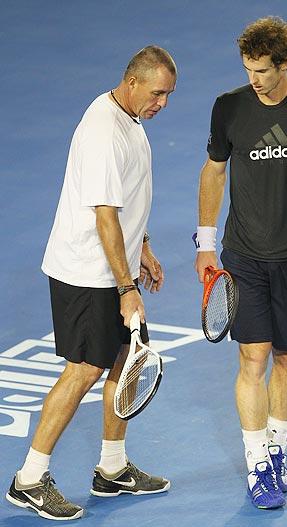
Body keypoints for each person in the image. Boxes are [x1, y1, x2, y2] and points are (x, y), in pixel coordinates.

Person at [6, 45, 177, 521]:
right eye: (158, 93)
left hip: (113, 266)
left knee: (127, 362)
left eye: (169, 96)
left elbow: (126, 199)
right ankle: (29, 479)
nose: (162, 103)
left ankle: (112, 467)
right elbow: (105, 216)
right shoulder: (104, 131)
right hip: (87, 272)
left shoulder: (131, 117)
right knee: (84, 369)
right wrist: (126, 288)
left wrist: (143, 247)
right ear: (133, 82)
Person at [195, 17, 287, 510]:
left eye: (263, 70)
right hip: (244, 257)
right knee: (253, 358)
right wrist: (205, 242)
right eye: (248, 69)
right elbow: (214, 172)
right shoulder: (229, 108)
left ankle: (278, 448)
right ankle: (258, 462)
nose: (254, 79)